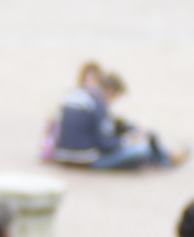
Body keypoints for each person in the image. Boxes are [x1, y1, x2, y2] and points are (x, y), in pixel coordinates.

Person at [51, 65, 181, 170]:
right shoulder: (98, 104)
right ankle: (166, 160)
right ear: (110, 90)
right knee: (142, 149)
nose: (113, 102)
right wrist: (128, 140)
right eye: (115, 97)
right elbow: (106, 144)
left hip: (62, 155)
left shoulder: (76, 94)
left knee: (136, 142)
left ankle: (167, 156)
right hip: (85, 159)